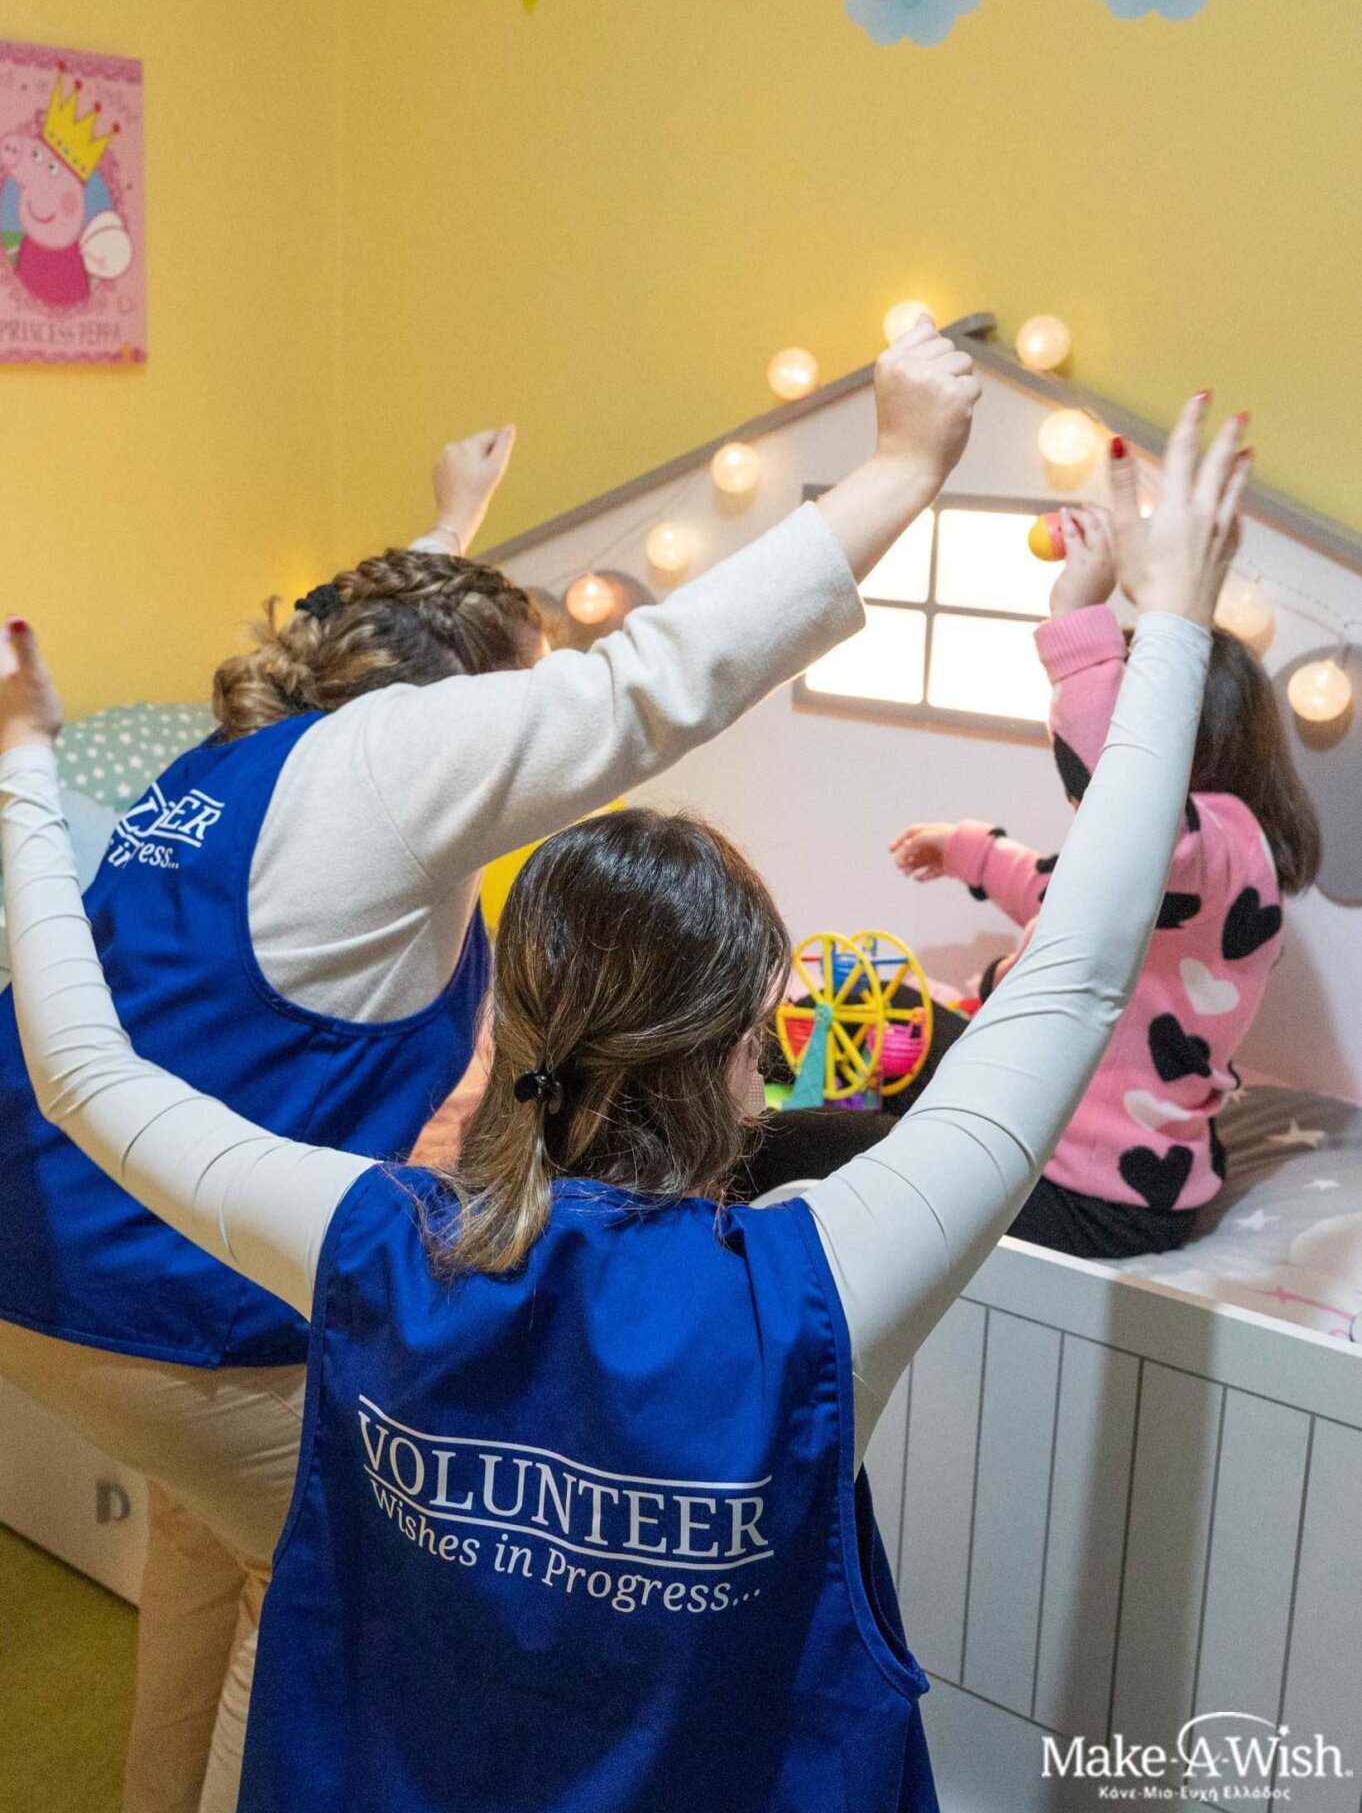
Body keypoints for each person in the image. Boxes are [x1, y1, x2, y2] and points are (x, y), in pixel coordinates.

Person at [0, 404, 1247, 1810]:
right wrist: (1170, 622)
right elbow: (1081, 973)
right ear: (747, 1048)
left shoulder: (366, 1242)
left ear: (519, 1018)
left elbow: (84, 1074)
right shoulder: (824, 1286)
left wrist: (23, 760)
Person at [890, 432, 1316, 1258]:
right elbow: (1069, 891)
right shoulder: (1201, 858)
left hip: (1087, 1190)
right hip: (1077, 1162)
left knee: (822, 1129)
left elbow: (1119, 788)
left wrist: (1077, 620)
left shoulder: (1221, 843)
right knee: (884, 1014)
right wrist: (967, 851)